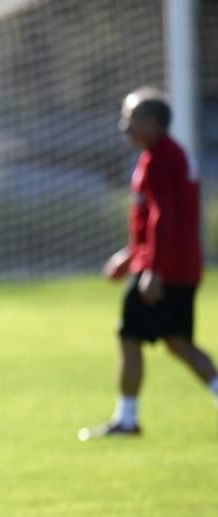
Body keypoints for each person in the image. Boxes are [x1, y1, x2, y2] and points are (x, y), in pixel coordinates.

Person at [81, 87, 217, 440]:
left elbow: (164, 218)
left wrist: (151, 269)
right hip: (178, 266)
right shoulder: (163, 156)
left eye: (131, 117)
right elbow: (159, 218)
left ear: (153, 122)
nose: (124, 125)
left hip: (164, 269)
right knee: (178, 342)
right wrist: (130, 255)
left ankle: (127, 419)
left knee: (128, 334)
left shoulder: (161, 159)